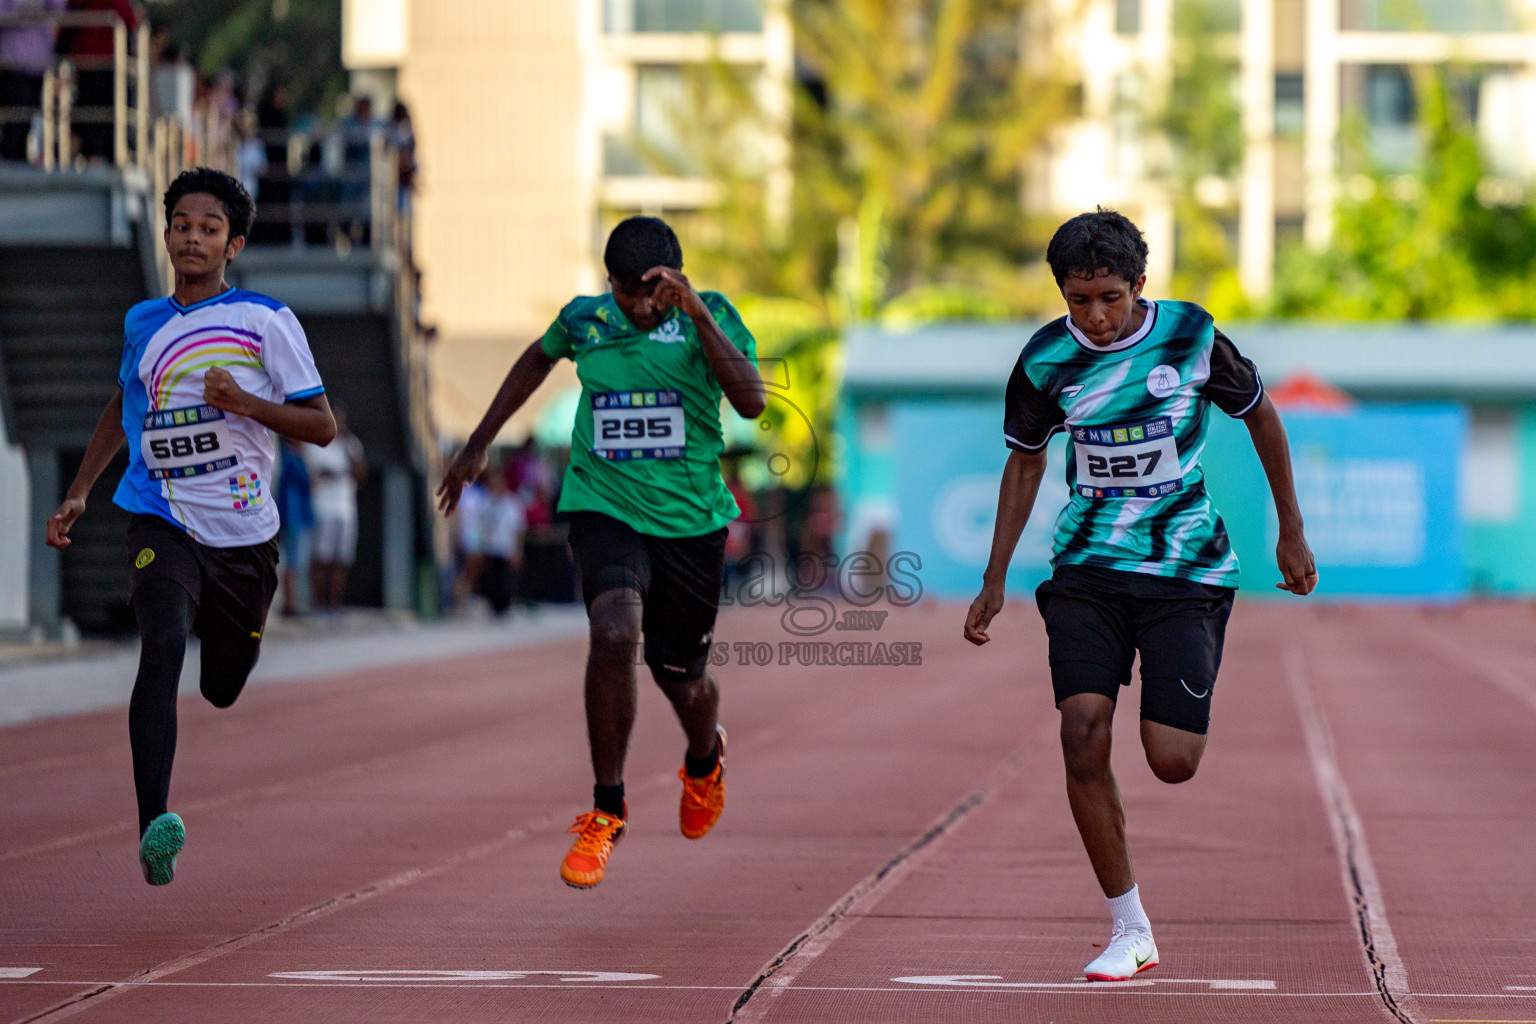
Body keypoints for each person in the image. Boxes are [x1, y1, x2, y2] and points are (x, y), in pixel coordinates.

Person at [963, 208, 1317, 982]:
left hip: (1185, 573)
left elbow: (1262, 417)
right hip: (1087, 569)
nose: (1094, 315)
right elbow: (1025, 463)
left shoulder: (1191, 339)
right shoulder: (1046, 360)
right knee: (1082, 729)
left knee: (1172, 761)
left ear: (1140, 286)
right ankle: (1130, 927)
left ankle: (1189, 669)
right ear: (1060, 290)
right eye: (1079, 298)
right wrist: (993, 579)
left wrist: (1290, 529)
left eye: (1111, 298)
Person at [437, 215, 765, 888]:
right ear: (609, 283)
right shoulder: (585, 320)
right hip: (603, 505)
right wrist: (478, 442)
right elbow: (536, 357)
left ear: (672, 282)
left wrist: (697, 311)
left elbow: (752, 401)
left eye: (652, 294)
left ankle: (704, 759)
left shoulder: (715, 315)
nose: (640, 308)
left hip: (691, 522)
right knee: (614, 633)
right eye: (626, 294)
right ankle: (607, 807)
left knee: (683, 679)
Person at [46, 167, 335, 886]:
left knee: (221, 687)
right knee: (162, 643)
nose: (193, 239)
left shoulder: (267, 321)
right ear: (167, 232)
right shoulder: (143, 322)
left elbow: (321, 426)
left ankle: (230, 648)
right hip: (159, 514)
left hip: (242, 536)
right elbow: (123, 408)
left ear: (232, 243)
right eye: (181, 225)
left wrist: (243, 401)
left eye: (209, 229)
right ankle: (154, 826)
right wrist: (81, 490)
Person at [302, 402, 365, 612]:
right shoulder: (314, 442)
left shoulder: (351, 444)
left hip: (346, 509)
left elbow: (360, 474)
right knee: (321, 557)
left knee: (341, 558)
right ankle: (318, 602)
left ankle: (334, 603)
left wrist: (348, 454)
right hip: (322, 507)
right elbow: (313, 474)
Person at [0, 0, 65, 162]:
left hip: (37, 64)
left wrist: (40, 13)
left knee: (30, 115)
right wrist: (20, 15)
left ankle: (22, 158)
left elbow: (60, 9)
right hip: (12, 61)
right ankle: (13, 159)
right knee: (15, 116)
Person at [474, 462, 526, 617]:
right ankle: (494, 606)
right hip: (490, 548)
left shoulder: (512, 504)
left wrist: (517, 549)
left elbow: (518, 529)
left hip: (505, 548)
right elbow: (481, 526)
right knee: (491, 581)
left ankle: (505, 606)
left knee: (505, 581)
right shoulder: (485, 503)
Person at [275, 437, 313, 617]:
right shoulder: (290, 458)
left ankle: (293, 602)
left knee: (296, 562)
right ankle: (289, 603)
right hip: (292, 517)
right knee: (292, 562)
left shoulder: (293, 457)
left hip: (297, 516)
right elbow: (308, 481)